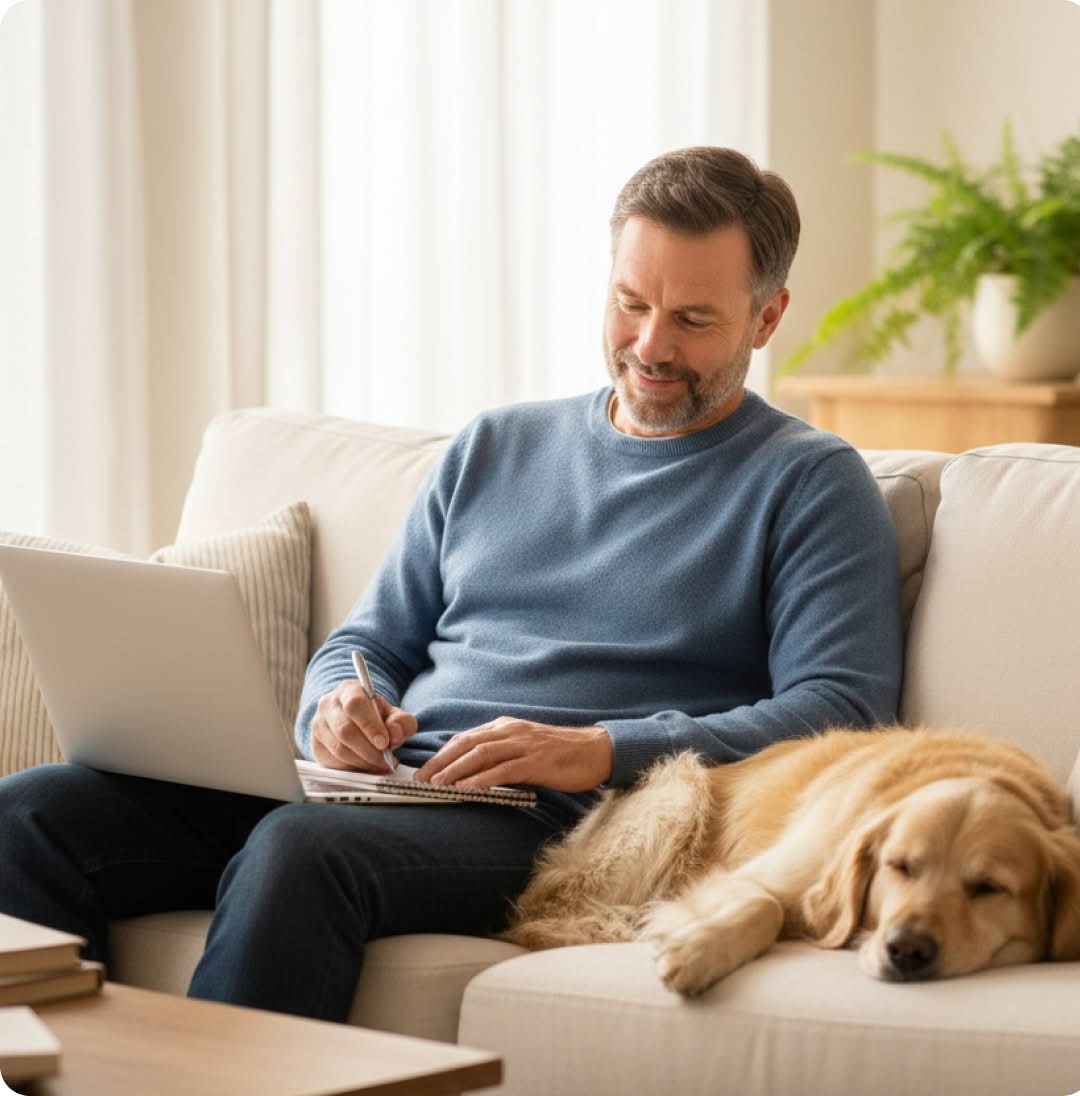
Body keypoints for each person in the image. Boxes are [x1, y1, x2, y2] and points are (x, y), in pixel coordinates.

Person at [0, 146, 903, 1023]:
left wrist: (599, 749)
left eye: (693, 320)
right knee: (32, 811)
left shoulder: (810, 481)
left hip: (562, 820)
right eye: (630, 303)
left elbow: (842, 711)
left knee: (301, 850)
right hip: (388, 790)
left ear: (767, 317)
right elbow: (367, 642)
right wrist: (338, 705)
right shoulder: (495, 445)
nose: (649, 344)